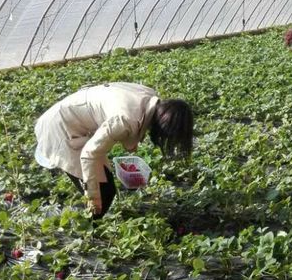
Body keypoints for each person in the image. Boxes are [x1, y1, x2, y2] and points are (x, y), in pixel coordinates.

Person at [34, 83, 193, 218]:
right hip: (60, 130)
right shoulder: (125, 120)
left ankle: (91, 220)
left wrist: (131, 138)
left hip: (73, 118)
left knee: (106, 190)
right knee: (102, 195)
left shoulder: (148, 95)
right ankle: (88, 228)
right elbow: (89, 154)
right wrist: (93, 196)